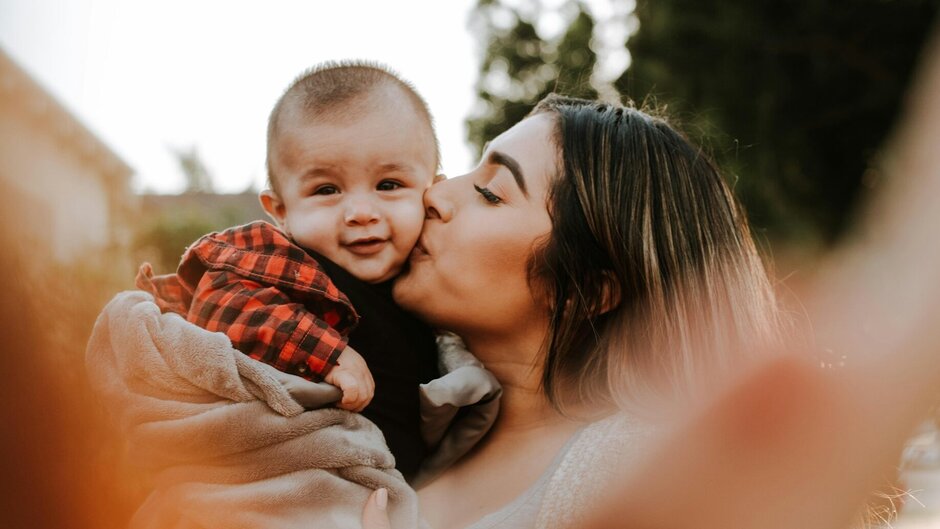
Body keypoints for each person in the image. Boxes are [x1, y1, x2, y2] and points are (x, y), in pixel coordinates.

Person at [360, 91, 783, 529]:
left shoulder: (641, 478)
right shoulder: (392, 410)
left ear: (585, 290)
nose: (436, 193)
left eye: (490, 193)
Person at [135, 61, 444, 482]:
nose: (360, 213)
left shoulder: (434, 277)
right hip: (289, 481)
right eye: (326, 190)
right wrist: (325, 353)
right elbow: (221, 301)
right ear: (280, 211)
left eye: (389, 184)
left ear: (433, 191)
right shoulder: (285, 261)